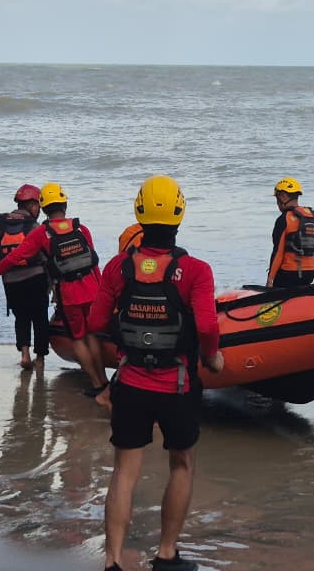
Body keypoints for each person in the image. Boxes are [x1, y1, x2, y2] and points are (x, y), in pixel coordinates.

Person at [89, 175, 224, 571]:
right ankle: (166, 555)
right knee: (181, 463)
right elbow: (207, 328)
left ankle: (113, 561)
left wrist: (127, 350)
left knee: (124, 472)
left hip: (130, 383)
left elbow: (97, 321)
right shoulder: (196, 270)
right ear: (180, 212)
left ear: (139, 213)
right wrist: (213, 358)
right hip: (178, 386)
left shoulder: (117, 268)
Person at [0, 182, 107, 390]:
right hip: (91, 290)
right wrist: (102, 292)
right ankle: (105, 381)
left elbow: (13, 258)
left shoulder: (40, 233)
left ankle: (98, 386)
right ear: (65, 204)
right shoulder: (82, 228)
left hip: (69, 296)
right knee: (91, 336)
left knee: (78, 339)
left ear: (44, 209)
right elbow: (94, 264)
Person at [0, 184, 50, 371]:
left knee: (21, 317)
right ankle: (40, 359)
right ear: (32, 205)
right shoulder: (35, 227)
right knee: (40, 317)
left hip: (10, 280)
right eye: (38, 205)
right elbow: (45, 254)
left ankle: (25, 355)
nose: (39, 210)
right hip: (36, 277)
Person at [266, 177, 314, 288]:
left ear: (282, 197)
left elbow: (278, 253)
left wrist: (270, 280)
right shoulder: (311, 216)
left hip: (288, 274)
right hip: (309, 273)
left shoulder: (283, 219)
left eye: (277, 199)